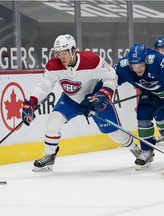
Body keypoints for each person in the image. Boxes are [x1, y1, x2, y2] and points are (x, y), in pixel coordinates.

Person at [22, 34, 142, 172]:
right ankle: (49, 156)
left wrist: (104, 94)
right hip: (71, 99)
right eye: (58, 53)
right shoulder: (53, 66)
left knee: (114, 133)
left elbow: (112, 76)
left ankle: (136, 149)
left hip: (95, 98)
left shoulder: (91, 60)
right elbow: (44, 86)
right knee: (53, 122)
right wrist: (31, 103)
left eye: (65, 52)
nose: (62, 57)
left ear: (73, 50)